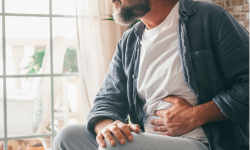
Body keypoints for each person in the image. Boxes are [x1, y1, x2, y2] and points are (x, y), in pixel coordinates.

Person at [53, 0, 249, 149]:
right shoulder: (129, 42)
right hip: (146, 139)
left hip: (201, 142)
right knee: (67, 136)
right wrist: (107, 126)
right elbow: (107, 99)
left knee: (117, 147)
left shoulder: (210, 19)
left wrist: (195, 115)